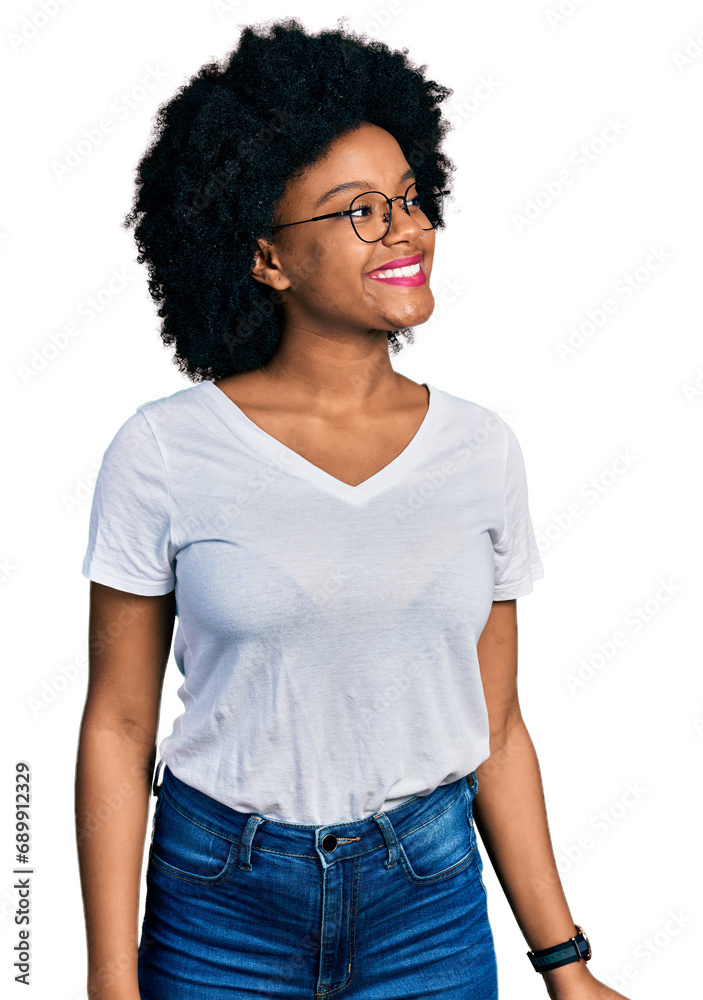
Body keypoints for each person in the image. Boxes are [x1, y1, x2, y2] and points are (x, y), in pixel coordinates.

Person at [75, 17, 631, 1000]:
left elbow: (495, 727)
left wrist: (566, 966)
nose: (409, 228)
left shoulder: (480, 451)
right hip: (218, 906)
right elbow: (119, 724)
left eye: (410, 199)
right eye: (361, 212)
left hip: (427, 901)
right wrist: (110, 984)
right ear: (266, 260)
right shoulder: (163, 451)